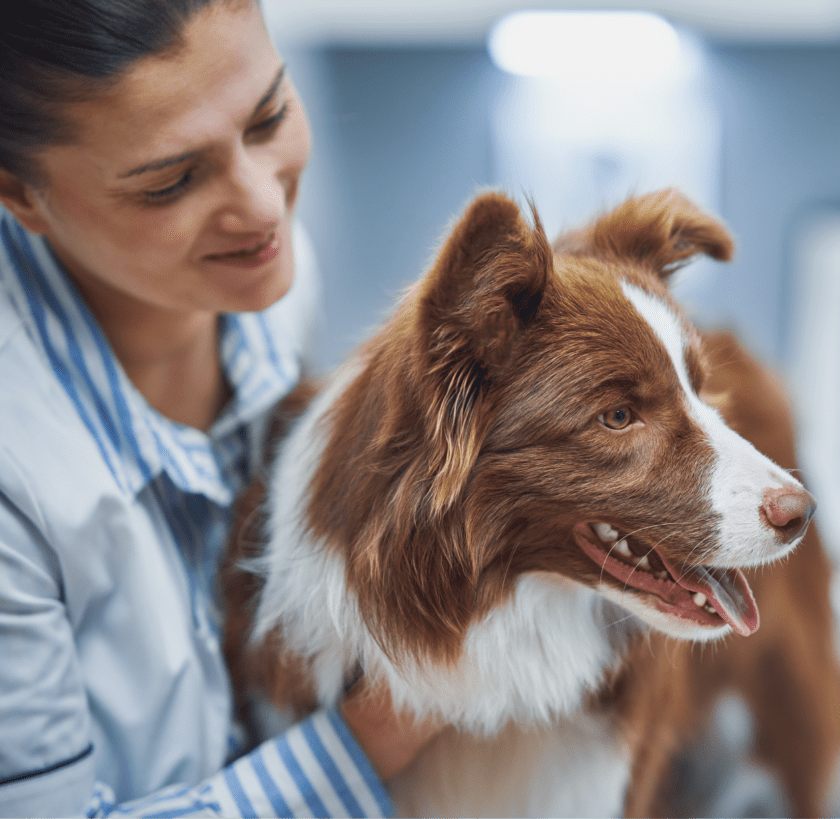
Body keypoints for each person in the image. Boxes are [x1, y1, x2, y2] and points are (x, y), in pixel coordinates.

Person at [0, 1, 440, 815]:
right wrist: (374, 735)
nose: (263, 207)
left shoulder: (271, 278)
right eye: (171, 181)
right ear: (20, 194)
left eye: (269, 115)